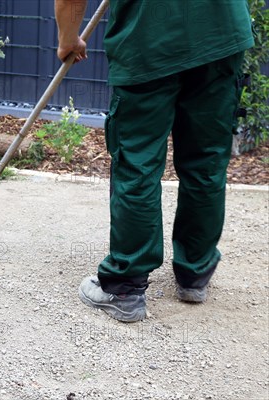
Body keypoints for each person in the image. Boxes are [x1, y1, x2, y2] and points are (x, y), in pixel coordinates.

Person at [54, 0, 254, 322]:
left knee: (137, 163)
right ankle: (195, 273)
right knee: (206, 160)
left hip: (148, 42)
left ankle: (124, 286)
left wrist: (68, 38)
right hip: (219, 33)